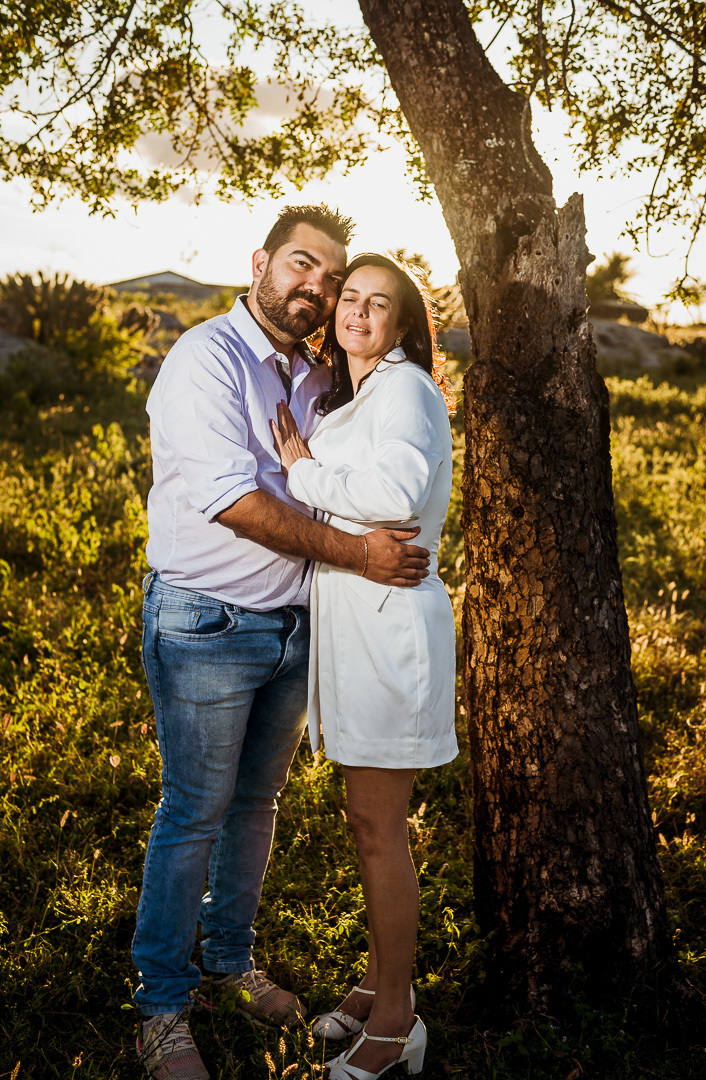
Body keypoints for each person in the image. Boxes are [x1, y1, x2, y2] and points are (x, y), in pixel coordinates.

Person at [133, 209, 432, 1080]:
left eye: (331, 278)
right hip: (208, 621)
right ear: (261, 262)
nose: (317, 287)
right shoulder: (206, 361)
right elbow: (236, 501)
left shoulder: (318, 374)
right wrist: (361, 555)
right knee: (193, 811)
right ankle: (160, 1004)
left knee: (255, 805)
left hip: (295, 625)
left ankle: (229, 964)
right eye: (302, 264)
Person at [272, 253, 458, 1080]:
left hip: (390, 631)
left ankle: (396, 1022)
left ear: (402, 325)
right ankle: (380, 981)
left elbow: (396, 493)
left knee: (379, 830)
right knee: (366, 824)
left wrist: (302, 470)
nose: (356, 312)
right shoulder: (364, 393)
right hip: (359, 627)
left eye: (378, 304)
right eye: (350, 297)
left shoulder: (407, 386)